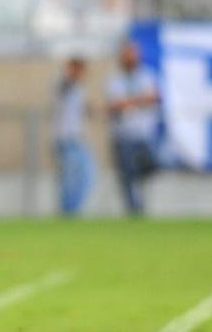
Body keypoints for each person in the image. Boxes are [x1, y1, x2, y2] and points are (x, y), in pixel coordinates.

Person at [106, 40, 159, 216]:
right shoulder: (114, 79)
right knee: (127, 175)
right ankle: (133, 210)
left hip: (143, 134)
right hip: (123, 135)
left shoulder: (147, 76)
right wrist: (139, 100)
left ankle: (137, 200)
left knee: (151, 164)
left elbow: (153, 98)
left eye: (134, 54)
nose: (131, 58)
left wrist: (131, 101)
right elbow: (115, 104)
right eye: (128, 55)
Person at [52, 57, 93, 216]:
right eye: (78, 69)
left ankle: (72, 210)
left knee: (86, 176)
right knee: (69, 179)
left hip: (77, 139)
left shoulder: (79, 88)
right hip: (65, 139)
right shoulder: (63, 83)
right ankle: (68, 212)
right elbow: (64, 87)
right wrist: (71, 75)